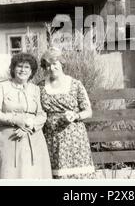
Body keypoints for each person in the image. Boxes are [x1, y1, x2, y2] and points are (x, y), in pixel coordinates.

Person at [0, 52, 52, 179]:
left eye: (27, 67)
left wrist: (29, 126)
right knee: (11, 174)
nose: (23, 70)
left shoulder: (35, 89)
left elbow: (42, 114)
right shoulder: (1, 87)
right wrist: (17, 120)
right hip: (11, 138)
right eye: (19, 66)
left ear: (32, 71)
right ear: (13, 68)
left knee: (36, 175)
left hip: (34, 137)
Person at [39, 47, 96, 179]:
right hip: (52, 137)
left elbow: (88, 111)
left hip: (74, 137)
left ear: (61, 63)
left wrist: (76, 115)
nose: (51, 68)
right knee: (56, 174)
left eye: (54, 63)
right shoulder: (40, 86)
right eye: (47, 65)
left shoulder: (76, 84)